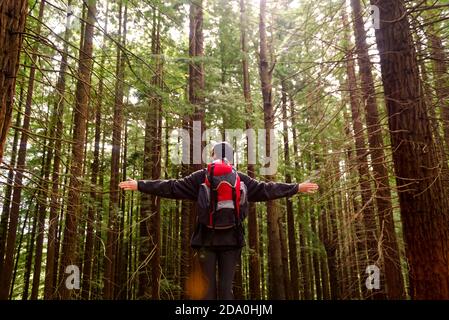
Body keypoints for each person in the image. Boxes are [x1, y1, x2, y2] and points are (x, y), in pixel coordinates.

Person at [119, 141, 319, 300]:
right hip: (232, 241)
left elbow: (171, 187)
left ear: (213, 156)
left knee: (207, 290)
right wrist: (296, 187)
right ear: (232, 158)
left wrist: (140, 184)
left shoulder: (202, 176)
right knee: (225, 290)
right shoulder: (240, 178)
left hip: (206, 240)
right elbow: (267, 189)